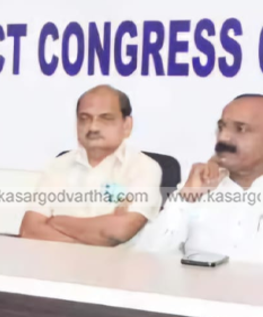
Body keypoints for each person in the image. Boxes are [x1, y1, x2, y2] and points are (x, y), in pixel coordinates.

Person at [19, 85, 162, 247]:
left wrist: (56, 221)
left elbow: (118, 232)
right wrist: (96, 235)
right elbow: (29, 231)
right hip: (58, 267)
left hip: (120, 269)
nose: (93, 127)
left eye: (105, 118)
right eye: (84, 118)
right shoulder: (58, 165)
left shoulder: (144, 167)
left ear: (126, 125)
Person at [136, 94, 263, 263]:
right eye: (222, 127)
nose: (224, 137)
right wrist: (186, 197)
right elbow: (148, 254)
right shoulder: (201, 182)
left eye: (240, 129)